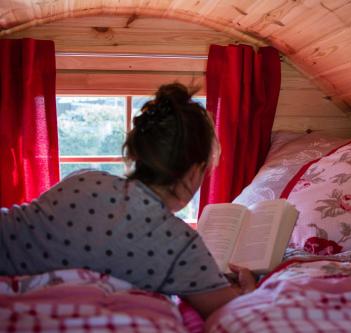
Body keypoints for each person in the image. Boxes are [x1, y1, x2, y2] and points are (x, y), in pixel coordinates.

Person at [0, 83, 256, 319]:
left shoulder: (82, 179)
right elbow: (227, 309)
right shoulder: (179, 242)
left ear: (138, 153)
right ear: (192, 174)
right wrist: (249, 287)